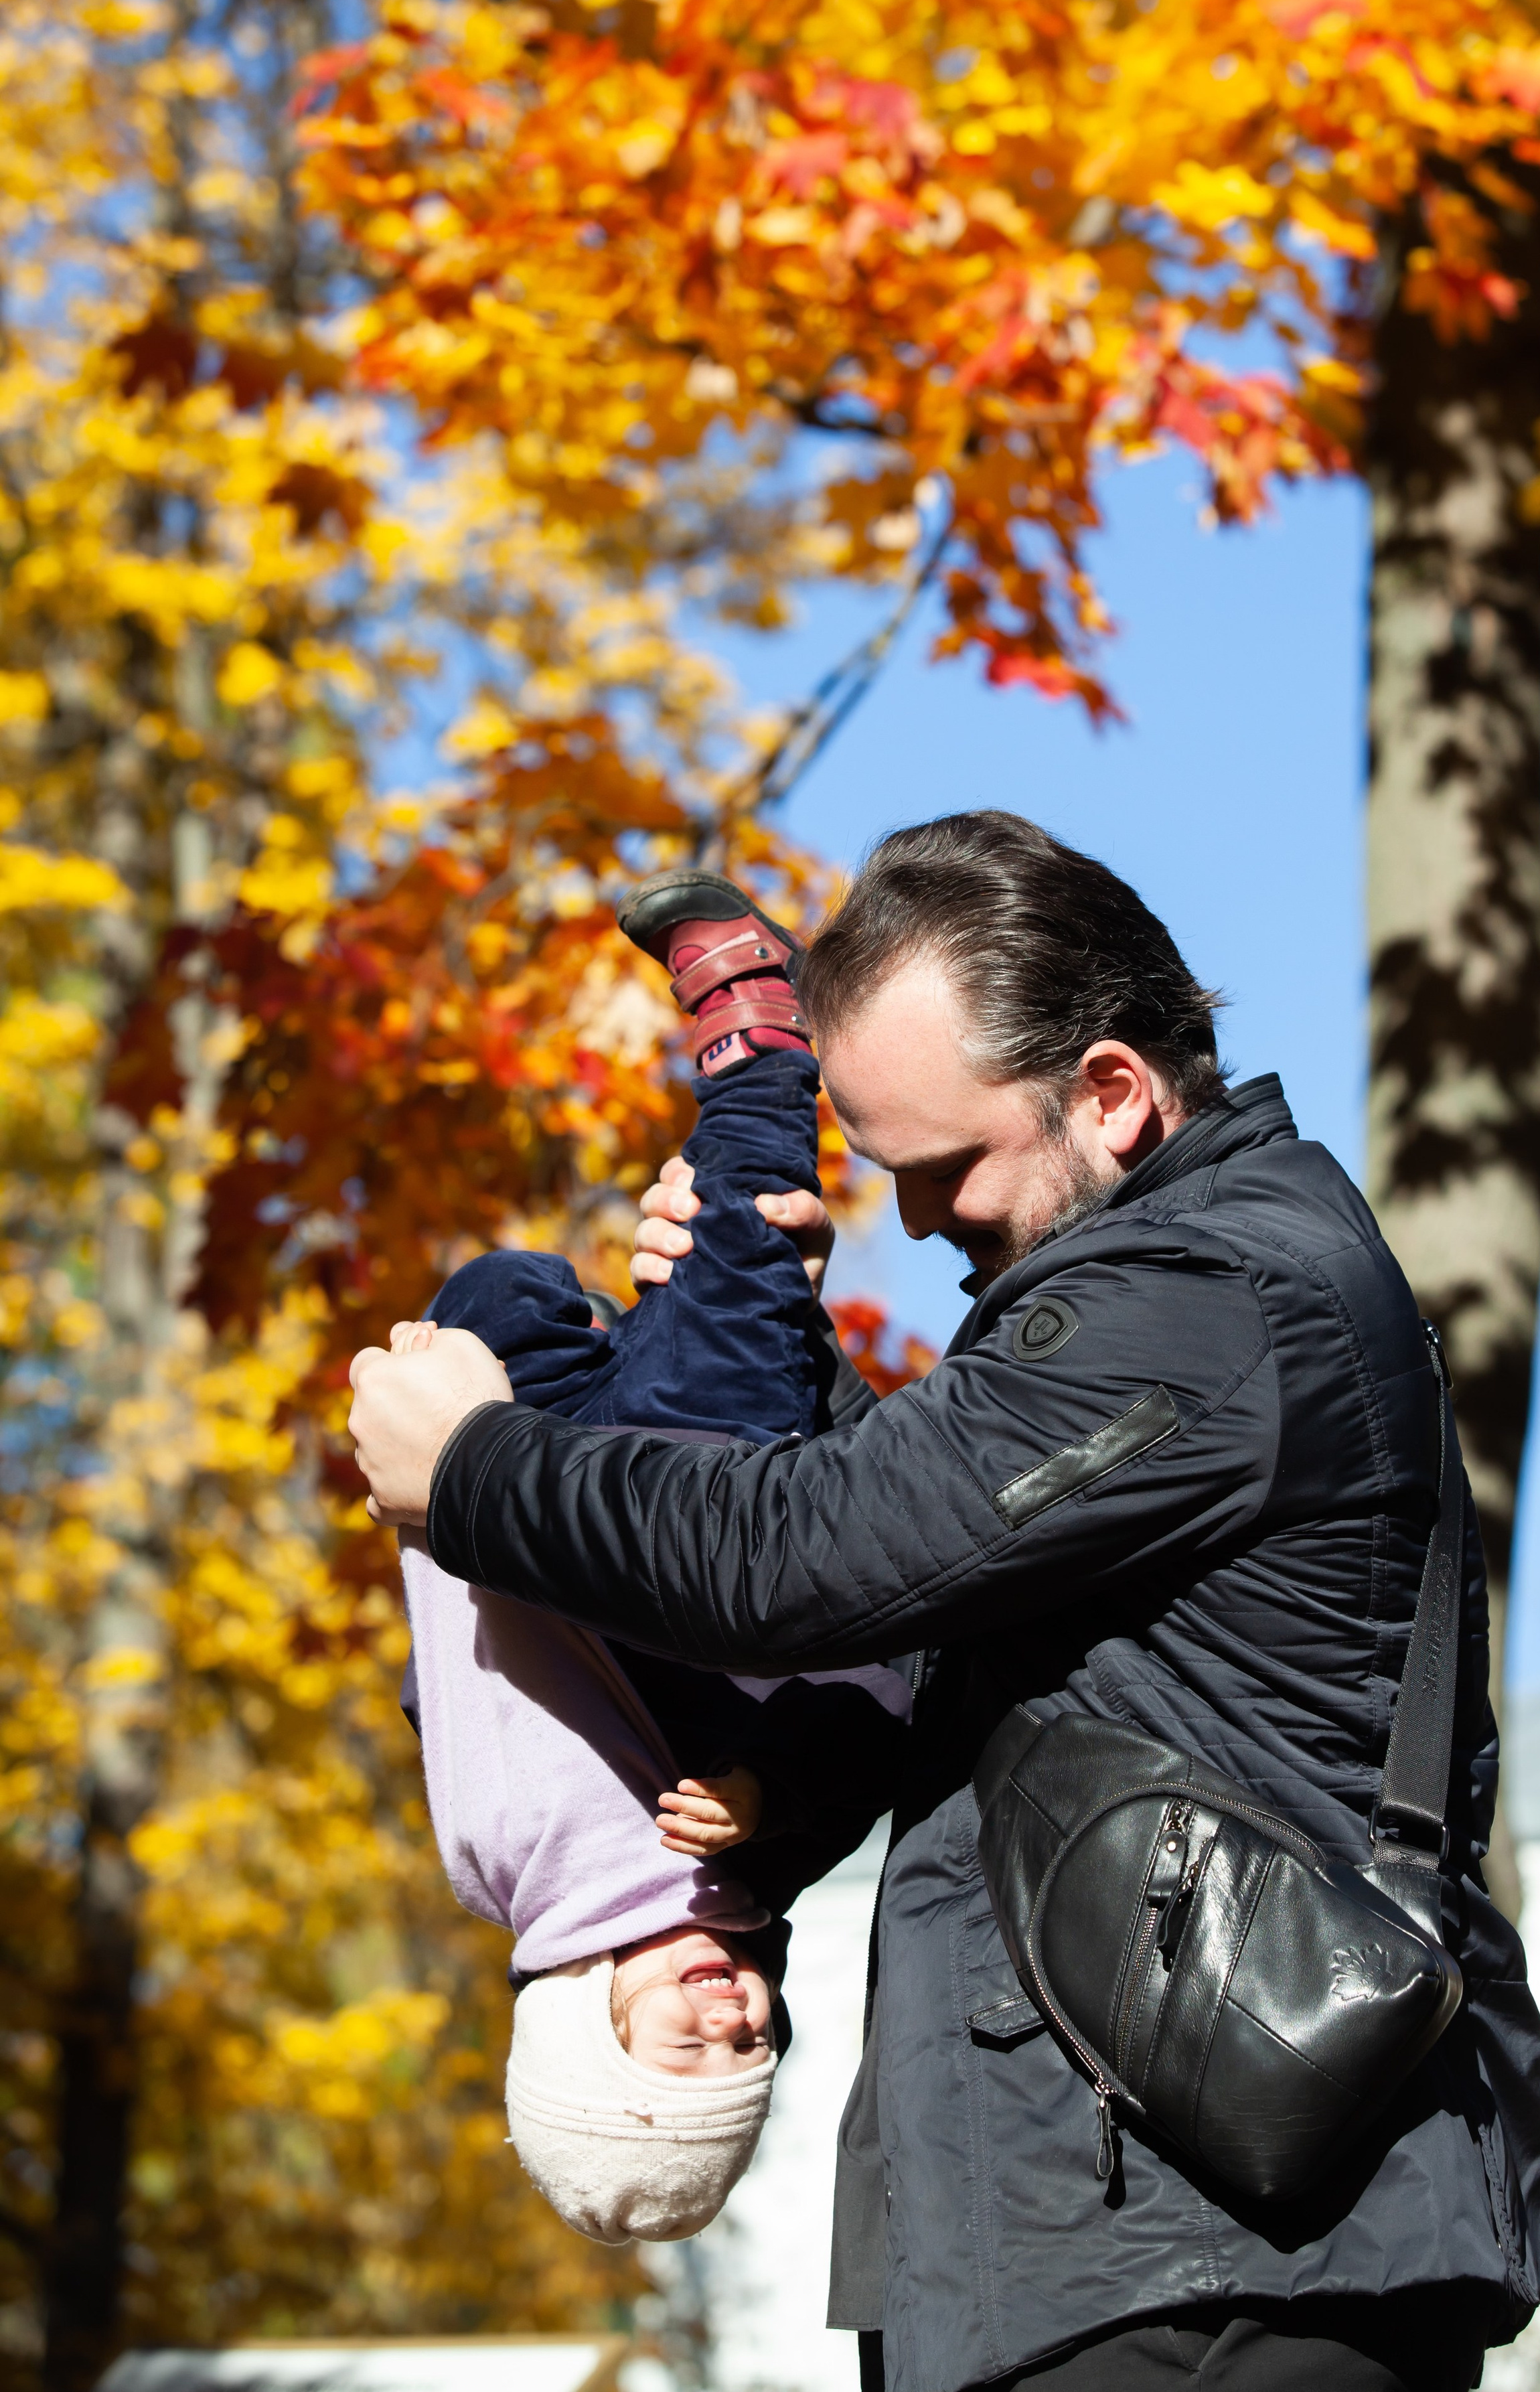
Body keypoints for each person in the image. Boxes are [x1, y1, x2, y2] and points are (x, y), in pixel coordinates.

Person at [350, 814, 1540, 2392]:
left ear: (1111, 1095)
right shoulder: (1171, 1299)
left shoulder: (1207, 1298)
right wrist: (766, 1333)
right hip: (1133, 2237)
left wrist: (475, 1474)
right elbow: (923, 1584)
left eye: (943, 1169)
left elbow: (807, 1561)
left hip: (1209, 2262)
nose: (916, 1223)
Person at [392, 870, 907, 2246]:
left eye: (684, 2053)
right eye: (752, 2050)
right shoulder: (781, 1852)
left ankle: (585, 1328)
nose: (729, 2020)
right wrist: (761, 1786)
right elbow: (889, 1698)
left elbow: (460, 1695)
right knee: (740, 1225)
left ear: (584, 2027)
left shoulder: (496, 1860)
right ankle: (757, 1021)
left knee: (492, 1294)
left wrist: (450, 1521)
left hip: (557, 1495)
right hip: (719, 1490)